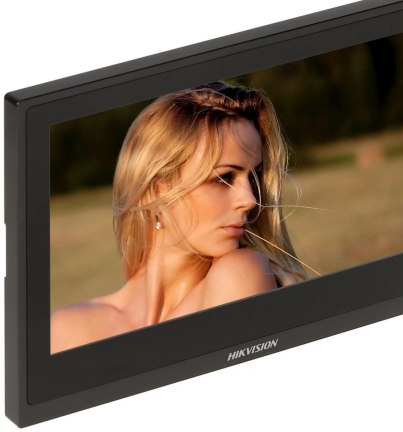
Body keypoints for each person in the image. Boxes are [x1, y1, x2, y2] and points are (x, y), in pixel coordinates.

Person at [50, 81, 309, 353]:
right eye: (223, 178)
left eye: (253, 176)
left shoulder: (241, 274)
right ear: (156, 189)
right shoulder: (69, 329)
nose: (250, 200)